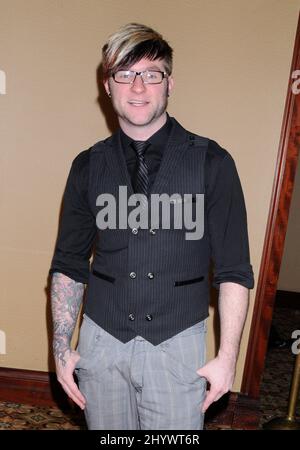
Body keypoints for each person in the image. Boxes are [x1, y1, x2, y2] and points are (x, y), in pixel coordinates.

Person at [49, 23, 254, 430]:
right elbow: (69, 263)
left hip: (178, 347)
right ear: (107, 86)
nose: (138, 87)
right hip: (101, 344)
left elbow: (234, 270)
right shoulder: (87, 166)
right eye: (125, 74)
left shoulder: (213, 163)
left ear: (169, 83)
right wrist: (60, 347)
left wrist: (228, 356)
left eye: (151, 73)